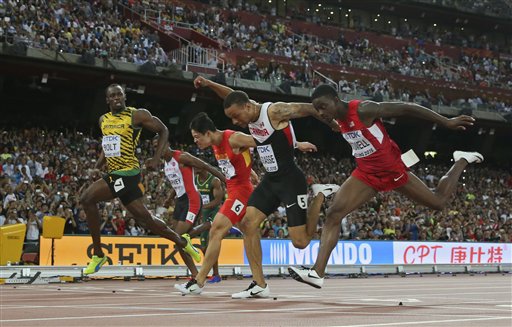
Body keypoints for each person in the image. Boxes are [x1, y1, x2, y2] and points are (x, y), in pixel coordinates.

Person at [288, 84, 483, 288]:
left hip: (392, 171)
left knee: (438, 202)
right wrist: (329, 122)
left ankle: (461, 160)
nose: (321, 112)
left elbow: (407, 108)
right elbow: (324, 116)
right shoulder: (336, 118)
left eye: (323, 107)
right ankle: (317, 273)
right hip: (366, 174)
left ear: (336, 100)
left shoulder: (364, 109)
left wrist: (446, 121)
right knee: (334, 214)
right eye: (317, 109)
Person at [192, 76, 340, 298]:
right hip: (270, 180)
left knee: (301, 242)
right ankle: (259, 284)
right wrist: (210, 85)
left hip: (290, 179)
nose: (234, 122)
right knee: (248, 224)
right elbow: (231, 96)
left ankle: (319, 195)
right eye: (231, 118)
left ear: (248, 107)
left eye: (235, 116)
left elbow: (308, 108)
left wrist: (332, 122)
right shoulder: (247, 111)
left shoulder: (274, 112)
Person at [79, 84, 201, 275]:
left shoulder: (137, 115)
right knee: (146, 219)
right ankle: (183, 242)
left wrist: (156, 157)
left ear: (124, 96)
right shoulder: (104, 120)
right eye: (113, 95)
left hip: (127, 173)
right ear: (107, 100)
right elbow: (108, 146)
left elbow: (163, 130)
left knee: (87, 199)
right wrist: (97, 166)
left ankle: (98, 254)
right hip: (113, 172)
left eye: (120, 94)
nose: (117, 97)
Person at [174, 112, 257, 295]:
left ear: (208, 133)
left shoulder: (233, 138)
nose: (195, 141)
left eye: (197, 137)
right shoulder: (215, 144)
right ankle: (259, 283)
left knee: (216, 230)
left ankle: (198, 281)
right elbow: (234, 163)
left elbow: (261, 140)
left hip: (241, 192)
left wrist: (296, 144)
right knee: (250, 234)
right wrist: (249, 171)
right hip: (235, 191)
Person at [158, 139, 226, 278]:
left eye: (158, 146)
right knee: (177, 240)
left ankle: (196, 273)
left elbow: (205, 165)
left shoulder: (181, 157)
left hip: (192, 201)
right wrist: (170, 198)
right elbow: (177, 183)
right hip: (180, 201)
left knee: (178, 238)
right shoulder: (166, 163)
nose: (156, 150)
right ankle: (195, 275)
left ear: (165, 144)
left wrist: (226, 180)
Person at [194, 166, 225, 283]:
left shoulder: (214, 181)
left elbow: (218, 201)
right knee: (204, 247)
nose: (194, 168)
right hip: (204, 212)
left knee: (208, 229)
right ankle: (215, 274)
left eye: (196, 166)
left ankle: (229, 227)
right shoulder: (195, 180)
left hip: (214, 211)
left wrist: (201, 207)